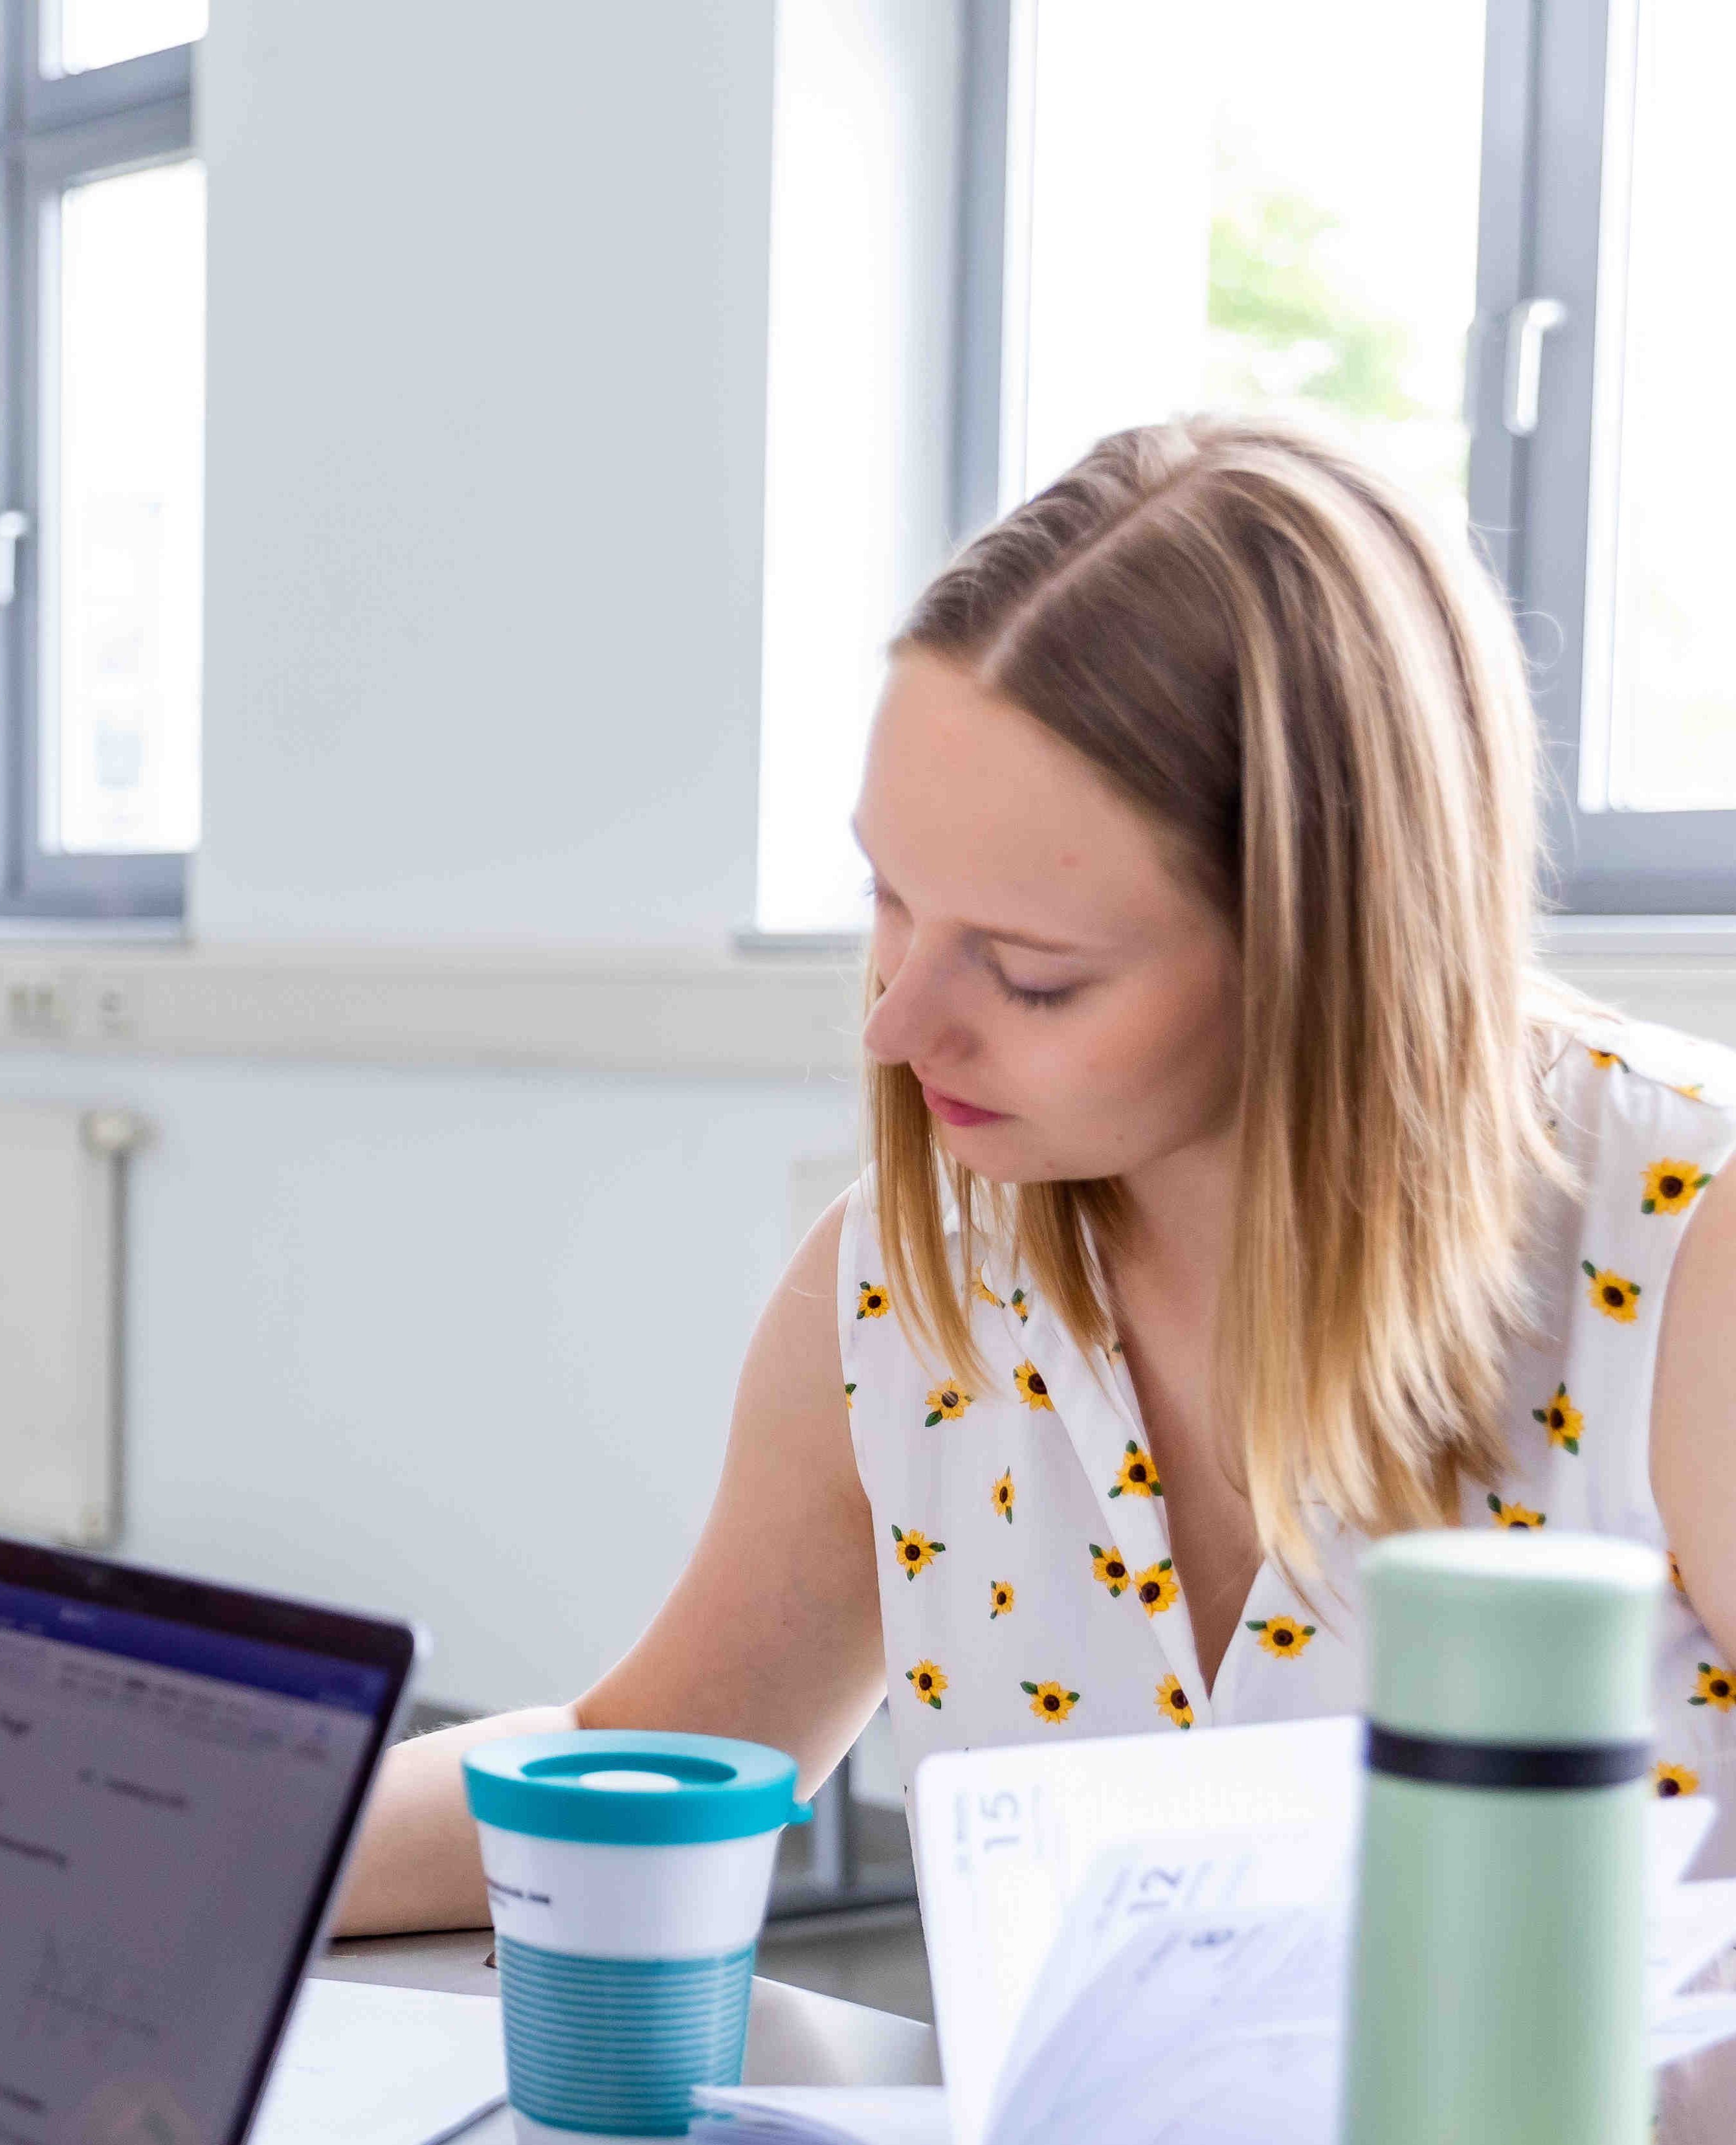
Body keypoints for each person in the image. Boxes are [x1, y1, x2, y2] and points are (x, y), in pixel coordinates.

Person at [333, 418, 1733, 1940]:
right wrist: (225, 1845)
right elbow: (657, 1758)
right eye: (889, 895)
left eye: (1031, 972)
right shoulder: (906, 1277)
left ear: (1325, 952)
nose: (895, 1021)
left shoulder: (1684, 1254)